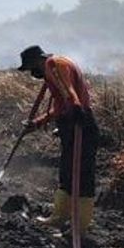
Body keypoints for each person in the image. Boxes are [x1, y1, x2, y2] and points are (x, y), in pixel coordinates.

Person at [18, 45, 98, 233]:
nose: (32, 73)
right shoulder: (54, 67)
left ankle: (80, 226)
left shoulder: (53, 64)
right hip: (71, 125)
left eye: (31, 68)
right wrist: (38, 123)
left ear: (36, 60)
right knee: (67, 173)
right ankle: (59, 217)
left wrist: (77, 108)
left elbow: (69, 92)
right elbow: (61, 105)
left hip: (81, 126)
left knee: (82, 176)